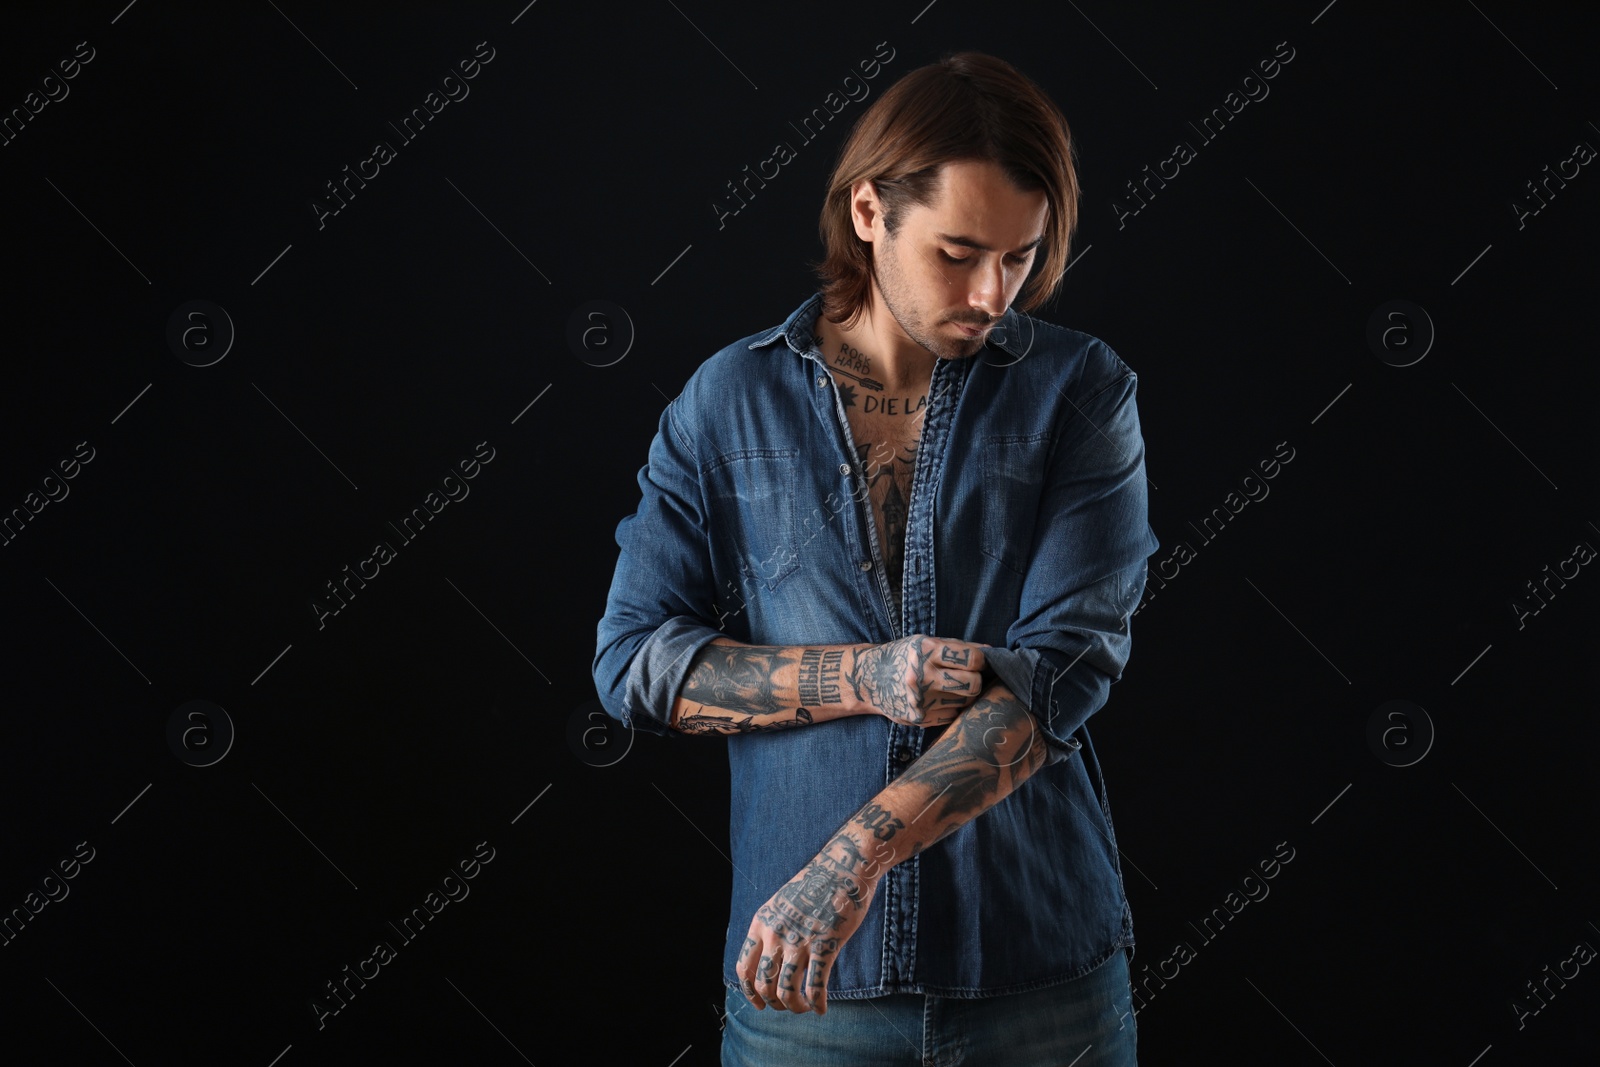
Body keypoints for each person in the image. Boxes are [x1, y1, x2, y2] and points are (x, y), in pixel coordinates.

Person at [594, 51, 1161, 1067]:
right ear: (868, 212)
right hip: (808, 1001)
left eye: (1020, 257)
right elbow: (634, 663)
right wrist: (866, 674)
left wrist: (852, 860)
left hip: (1041, 978)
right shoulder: (727, 403)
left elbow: (1065, 667)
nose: (992, 292)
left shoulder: (1081, 392)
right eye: (957, 251)